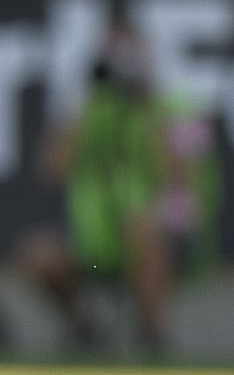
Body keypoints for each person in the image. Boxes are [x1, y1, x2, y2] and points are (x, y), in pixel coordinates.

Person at [18, 22, 219, 355]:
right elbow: (51, 169)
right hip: (97, 241)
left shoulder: (179, 107)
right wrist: (80, 100)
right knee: (38, 254)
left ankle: (151, 336)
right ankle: (83, 327)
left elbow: (185, 174)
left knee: (145, 231)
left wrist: (150, 104)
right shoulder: (90, 110)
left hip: (165, 236)